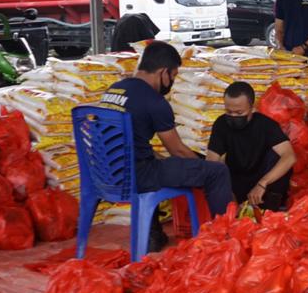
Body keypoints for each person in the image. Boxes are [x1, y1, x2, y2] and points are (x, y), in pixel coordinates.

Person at [99, 41, 232, 250]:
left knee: (156, 160)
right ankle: (224, 238)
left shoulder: (114, 89)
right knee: (217, 172)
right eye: (173, 76)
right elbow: (177, 150)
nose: (172, 82)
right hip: (137, 176)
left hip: (105, 173)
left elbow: (124, 141)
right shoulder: (154, 101)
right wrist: (202, 164)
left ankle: (153, 235)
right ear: (163, 72)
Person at [205, 81, 297, 212]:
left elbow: (289, 157)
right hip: (236, 182)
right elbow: (212, 162)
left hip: (264, 183)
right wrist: (228, 195)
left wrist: (262, 184)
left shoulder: (266, 125)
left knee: (279, 161)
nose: (233, 116)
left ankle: (270, 208)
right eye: (229, 112)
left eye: (239, 113)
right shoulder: (221, 124)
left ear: (252, 108)